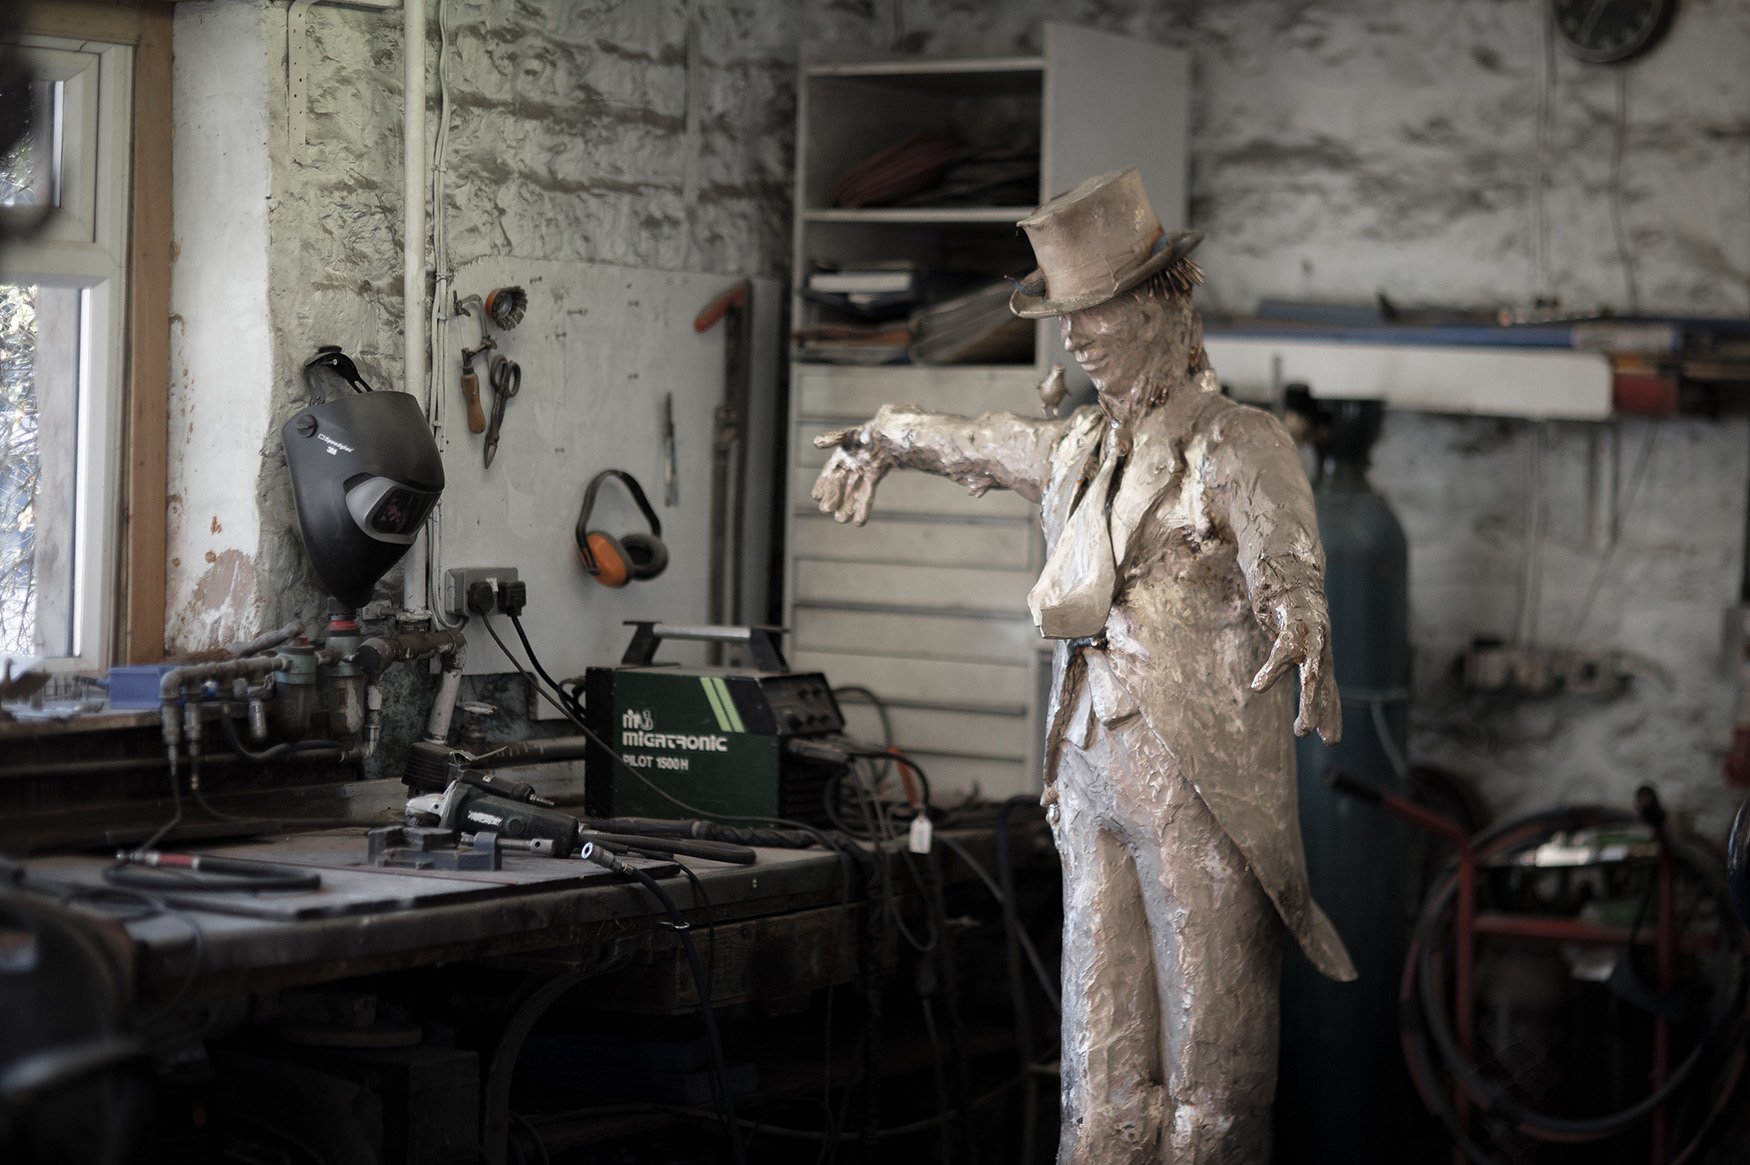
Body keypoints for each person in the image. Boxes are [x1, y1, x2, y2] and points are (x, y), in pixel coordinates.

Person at [812, 167, 1356, 1163]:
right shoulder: (1076, 449)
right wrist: (883, 435)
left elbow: (1284, 556)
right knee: (1098, 1076)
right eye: (1064, 314)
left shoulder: (1235, 443)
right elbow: (978, 444)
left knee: (1212, 1085)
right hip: (1090, 775)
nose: (1074, 334)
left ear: (1158, 304)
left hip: (1197, 786)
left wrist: (1301, 620)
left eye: (1092, 309)